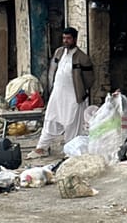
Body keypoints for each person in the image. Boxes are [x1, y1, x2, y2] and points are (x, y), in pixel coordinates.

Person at [28, 27, 94, 158]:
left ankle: (70, 151)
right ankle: (42, 148)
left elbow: (89, 80)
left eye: (68, 38)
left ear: (75, 39)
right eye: (64, 38)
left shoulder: (82, 58)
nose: (66, 41)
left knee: (72, 125)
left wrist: (81, 92)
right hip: (57, 95)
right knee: (50, 120)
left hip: (74, 97)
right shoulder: (59, 52)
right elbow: (53, 71)